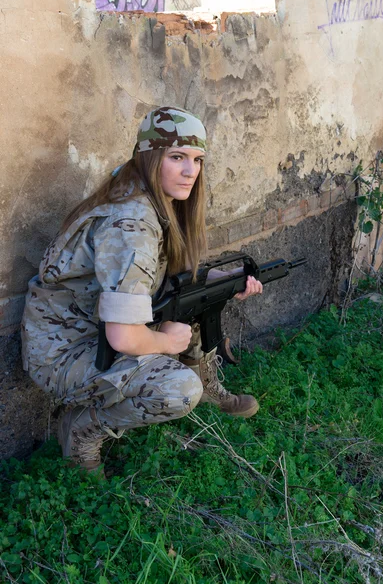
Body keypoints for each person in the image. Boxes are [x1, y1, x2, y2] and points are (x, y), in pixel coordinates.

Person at [21, 106, 262, 475]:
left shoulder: (149, 197)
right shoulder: (130, 225)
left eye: (197, 160)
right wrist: (166, 342)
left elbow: (164, 281)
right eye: (177, 157)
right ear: (150, 157)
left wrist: (224, 283)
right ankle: (83, 429)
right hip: (64, 352)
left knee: (193, 302)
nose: (190, 172)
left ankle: (206, 380)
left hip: (91, 330)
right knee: (178, 389)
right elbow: (123, 336)